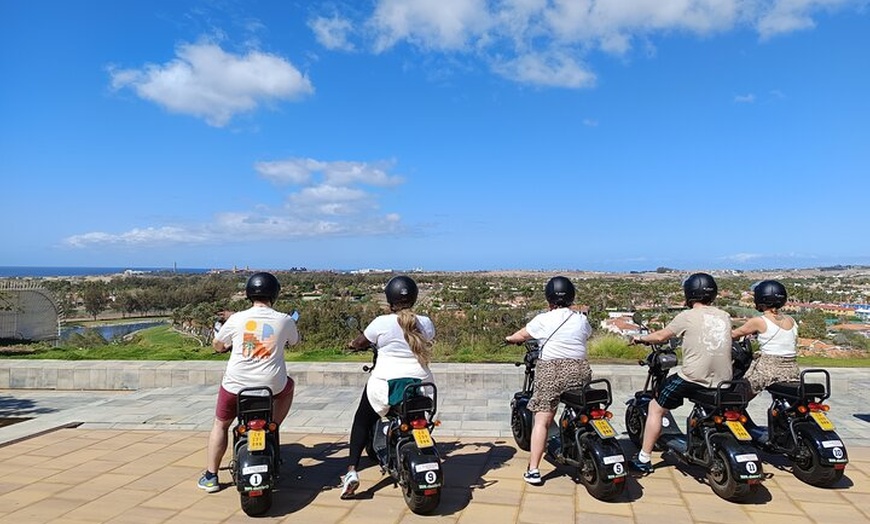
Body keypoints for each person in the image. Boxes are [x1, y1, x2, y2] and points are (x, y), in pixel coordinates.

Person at [197, 272, 299, 492]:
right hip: (272, 387)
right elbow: (294, 341)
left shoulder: (236, 319)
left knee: (221, 424)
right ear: (275, 294)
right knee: (289, 386)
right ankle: (273, 426)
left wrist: (224, 345)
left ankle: (211, 476)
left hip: (236, 387)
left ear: (248, 294)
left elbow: (217, 344)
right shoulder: (285, 320)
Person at [340, 275, 436, 499]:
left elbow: (360, 342)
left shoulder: (381, 323)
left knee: (362, 419)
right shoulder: (425, 322)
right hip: (421, 387)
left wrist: (353, 345)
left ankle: (352, 471)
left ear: (389, 299)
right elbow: (428, 338)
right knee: (417, 417)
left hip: (385, 387)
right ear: (414, 297)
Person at [629, 272, 733, 474]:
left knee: (655, 407)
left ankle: (644, 458)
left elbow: (661, 336)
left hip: (693, 378)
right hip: (724, 380)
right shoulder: (724, 316)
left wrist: (640, 339)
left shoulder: (686, 316)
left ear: (689, 294)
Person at [505, 276, 593, 485]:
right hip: (580, 370)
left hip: (551, 371)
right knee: (579, 407)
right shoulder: (581, 319)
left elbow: (521, 335)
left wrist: (509, 339)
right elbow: (586, 335)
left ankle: (534, 470)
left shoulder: (543, 319)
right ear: (572, 296)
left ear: (549, 298)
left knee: (541, 420)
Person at [731, 280, 799, 398]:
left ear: (760, 299)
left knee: (737, 397)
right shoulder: (791, 320)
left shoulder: (759, 321)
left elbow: (734, 335)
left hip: (768, 370)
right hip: (792, 370)